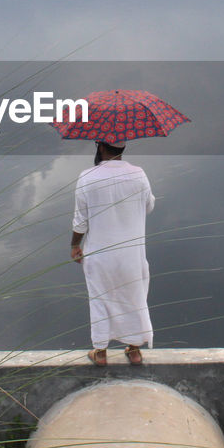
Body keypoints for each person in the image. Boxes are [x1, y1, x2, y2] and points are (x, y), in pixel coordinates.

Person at [71, 140, 155, 366]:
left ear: (100, 147)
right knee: (134, 297)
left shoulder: (87, 177)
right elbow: (149, 206)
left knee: (100, 299)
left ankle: (100, 353)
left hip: (100, 255)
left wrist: (75, 246)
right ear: (122, 148)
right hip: (131, 256)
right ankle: (135, 351)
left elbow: (81, 221)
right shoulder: (139, 174)